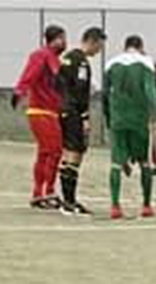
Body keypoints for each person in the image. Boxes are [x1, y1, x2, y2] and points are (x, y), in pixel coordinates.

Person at [103, 35, 156, 220]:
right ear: (141, 46)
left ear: (125, 46)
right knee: (145, 162)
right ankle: (146, 205)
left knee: (116, 163)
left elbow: (105, 94)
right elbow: (150, 91)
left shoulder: (111, 64)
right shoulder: (147, 63)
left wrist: (108, 118)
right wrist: (153, 115)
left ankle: (115, 206)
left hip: (118, 118)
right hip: (139, 119)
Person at [12, 24, 67, 210]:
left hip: (51, 111)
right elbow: (30, 74)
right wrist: (19, 91)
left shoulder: (56, 60)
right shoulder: (41, 55)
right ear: (54, 39)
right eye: (62, 38)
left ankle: (38, 194)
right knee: (55, 150)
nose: (65, 42)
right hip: (40, 111)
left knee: (45, 152)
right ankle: (48, 191)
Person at [55, 26, 106, 215]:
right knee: (75, 153)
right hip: (74, 112)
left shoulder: (67, 58)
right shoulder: (81, 62)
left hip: (62, 110)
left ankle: (67, 200)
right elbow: (79, 91)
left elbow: (58, 84)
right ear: (92, 41)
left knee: (68, 152)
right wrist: (84, 116)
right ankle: (69, 202)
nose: (99, 51)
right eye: (99, 46)